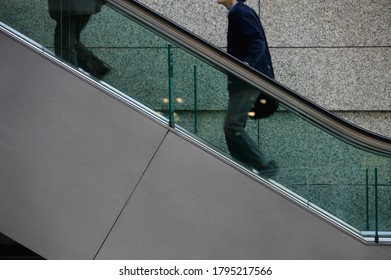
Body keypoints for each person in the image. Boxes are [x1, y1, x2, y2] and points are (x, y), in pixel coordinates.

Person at [217, 0, 278, 177]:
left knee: (232, 125)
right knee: (233, 127)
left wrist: (246, 65)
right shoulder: (236, 13)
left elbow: (258, 41)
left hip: (247, 80)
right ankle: (243, 172)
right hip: (242, 80)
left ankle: (264, 164)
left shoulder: (241, 12)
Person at [48, 0, 111, 79]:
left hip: (77, 3)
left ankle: (69, 80)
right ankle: (96, 67)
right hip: (78, 4)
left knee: (65, 41)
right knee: (67, 39)